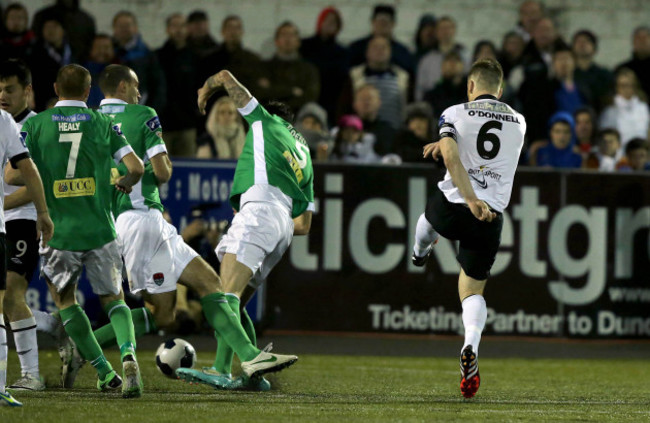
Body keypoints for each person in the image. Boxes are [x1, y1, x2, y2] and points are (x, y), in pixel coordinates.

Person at [93, 65, 299, 390]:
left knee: (199, 291)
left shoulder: (91, 122)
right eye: (134, 87)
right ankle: (90, 350)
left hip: (118, 221)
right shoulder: (142, 114)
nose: (138, 93)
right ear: (122, 87)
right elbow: (162, 173)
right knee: (196, 297)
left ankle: (81, 346)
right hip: (142, 218)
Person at [176, 69, 313, 390]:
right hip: (282, 227)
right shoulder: (304, 155)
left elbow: (225, 76)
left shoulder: (264, 122)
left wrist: (205, 87)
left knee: (221, 296)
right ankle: (241, 374)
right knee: (233, 301)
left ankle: (241, 361)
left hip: (260, 212)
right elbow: (304, 224)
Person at [21, 64, 144, 397]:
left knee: (65, 301)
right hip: (100, 228)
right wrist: (125, 182)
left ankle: (106, 373)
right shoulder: (104, 123)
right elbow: (137, 167)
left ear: (56, 89)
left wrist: (46, 172)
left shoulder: (35, 125)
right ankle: (130, 355)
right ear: (88, 92)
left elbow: (11, 175)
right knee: (114, 300)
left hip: (58, 231)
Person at [412, 59, 526, 399]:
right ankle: (470, 345)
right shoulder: (519, 122)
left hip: (456, 204)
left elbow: (450, 155)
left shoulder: (455, 112)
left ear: (470, 87)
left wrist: (469, 195)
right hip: (489, 216)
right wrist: (479, 201)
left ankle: (419, 254)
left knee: (428, 221)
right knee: (472, 292)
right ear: (501, 90)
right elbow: (486, 147)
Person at [0, 70, 53, 409]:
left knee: (10, 295)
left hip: (21, 221)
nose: (3, 95)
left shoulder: (34, 127)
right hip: (5, 220)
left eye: (10, 89)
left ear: (28, 90)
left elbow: (38, 178)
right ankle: (55, 325)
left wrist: (4, 203)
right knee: (6, 299)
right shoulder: (5, 122)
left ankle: (31, 373)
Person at [156, 13, 199, 157]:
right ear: (168, 29)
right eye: (174, 26)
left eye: (182, 26)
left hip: (187, 124)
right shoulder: (157, 57)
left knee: (187, 168)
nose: (179, 30)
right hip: (162, 124)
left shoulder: (195, 57)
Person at [300, 7, 349, 127]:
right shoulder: (305, 46)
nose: (330, 24)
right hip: (308, 100)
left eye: (334, 22)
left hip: (332, 104)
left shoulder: (342, 52)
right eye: (327, 20)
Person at [257, 22, 320, 113]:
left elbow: (310, 97)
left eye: (291, 35)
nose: (288, 39)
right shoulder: (263, 68)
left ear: (298, 42)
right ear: (276, 41)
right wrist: (292, 91)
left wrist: (274, 90)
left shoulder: (309, 70)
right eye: (284, 34)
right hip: (270, 115)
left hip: (298, 117)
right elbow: (261, 94)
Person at [349, 36, 409, 129]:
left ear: (390, 52)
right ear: (367, 52)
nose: (379, 51)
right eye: (375, 47)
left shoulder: (403, 77)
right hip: (360, 131)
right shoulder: (354, 76)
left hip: (394, 132)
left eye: (383, 48)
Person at [112, 10, 165, 111]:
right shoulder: (109, 53)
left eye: (127, 25)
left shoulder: (147, 54)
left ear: (135, 28)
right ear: (114, 29)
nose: (124, 29)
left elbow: (157, 86)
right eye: (120, 26)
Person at [348, 5, 414, 75]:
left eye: (387, 21)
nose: (382, 24)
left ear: (393, 24)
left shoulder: (402, 52)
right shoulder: (356, 48)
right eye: (379, 21)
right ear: (372, 22)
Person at [27, 13, 74, 111]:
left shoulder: (74, 52)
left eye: (55, 26)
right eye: (47, 27)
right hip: (42, 107)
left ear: (63, 29)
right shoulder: (34, 54)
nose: (51, 30)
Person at [415, 16, 468, 101]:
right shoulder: (426, 60)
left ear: (454, 30)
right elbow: (420, 89)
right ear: (436, 32)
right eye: (442, 28)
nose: (445, 32)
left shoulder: (465, 56)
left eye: (448, 28)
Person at [600, 68, 650, 147]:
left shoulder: (643, 107)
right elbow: (605, 138)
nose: (627, 89)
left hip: (641, 152)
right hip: (620, 155)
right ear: (616, 87)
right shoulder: (610, 111)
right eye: (623, 85)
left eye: (630, 85)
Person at [572, 30, 613, 113]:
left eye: (586, 41)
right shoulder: (569, 75)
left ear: (594, 48)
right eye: (578, 42)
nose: (582, 44)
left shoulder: (605, 74)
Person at [352, 84, 396, 156]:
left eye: (370, 98)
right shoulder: (345, 130)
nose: (366, 102)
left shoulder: (389, 131)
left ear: (379, 103)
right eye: (362, 99)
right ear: (354, 104)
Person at [424, 51, 467, 122]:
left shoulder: (471, 95)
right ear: (442, 67)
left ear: (462, 66)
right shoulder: (432, 97)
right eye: (448, 60)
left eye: (456, 60)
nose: (452, 63)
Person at [616, 26, 650, 104]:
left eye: (645, 37)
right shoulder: (623, 69)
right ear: (633, 42)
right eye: (638, 38)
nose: (642, 41)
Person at [85, 34, 117, 108]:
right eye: (98, 48)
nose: (102, 51)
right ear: (91, 50)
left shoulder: (121, 73)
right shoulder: (81, 73)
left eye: (106, 48)